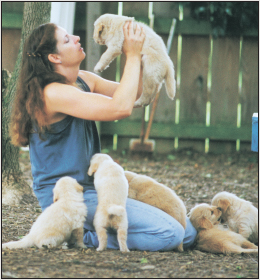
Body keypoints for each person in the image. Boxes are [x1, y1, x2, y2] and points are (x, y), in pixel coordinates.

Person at [10, 21, 197, 251]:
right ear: (54, 57)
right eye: (67, 40)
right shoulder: (53, 93)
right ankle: (81, 236)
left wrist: (141, 53)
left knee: (188, 234)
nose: (77, 38)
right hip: (68, 199)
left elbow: (134, 94)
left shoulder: (83, 80)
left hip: (95, 189)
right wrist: (132, 55)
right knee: (171, 233)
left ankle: (97, 227)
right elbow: (120, 108)